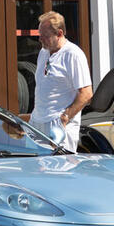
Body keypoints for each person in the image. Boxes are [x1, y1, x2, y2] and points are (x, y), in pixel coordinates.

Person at [30, 11, 93, 150]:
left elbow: (86, 93)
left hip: (59, 125)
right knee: (34, 170)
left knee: (59, 169)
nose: (40, 39)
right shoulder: (43, 52)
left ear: (59, 34)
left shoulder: (73, 54)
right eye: (39, 35)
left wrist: (65, 118)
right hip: (37, 123)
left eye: (45, 36)